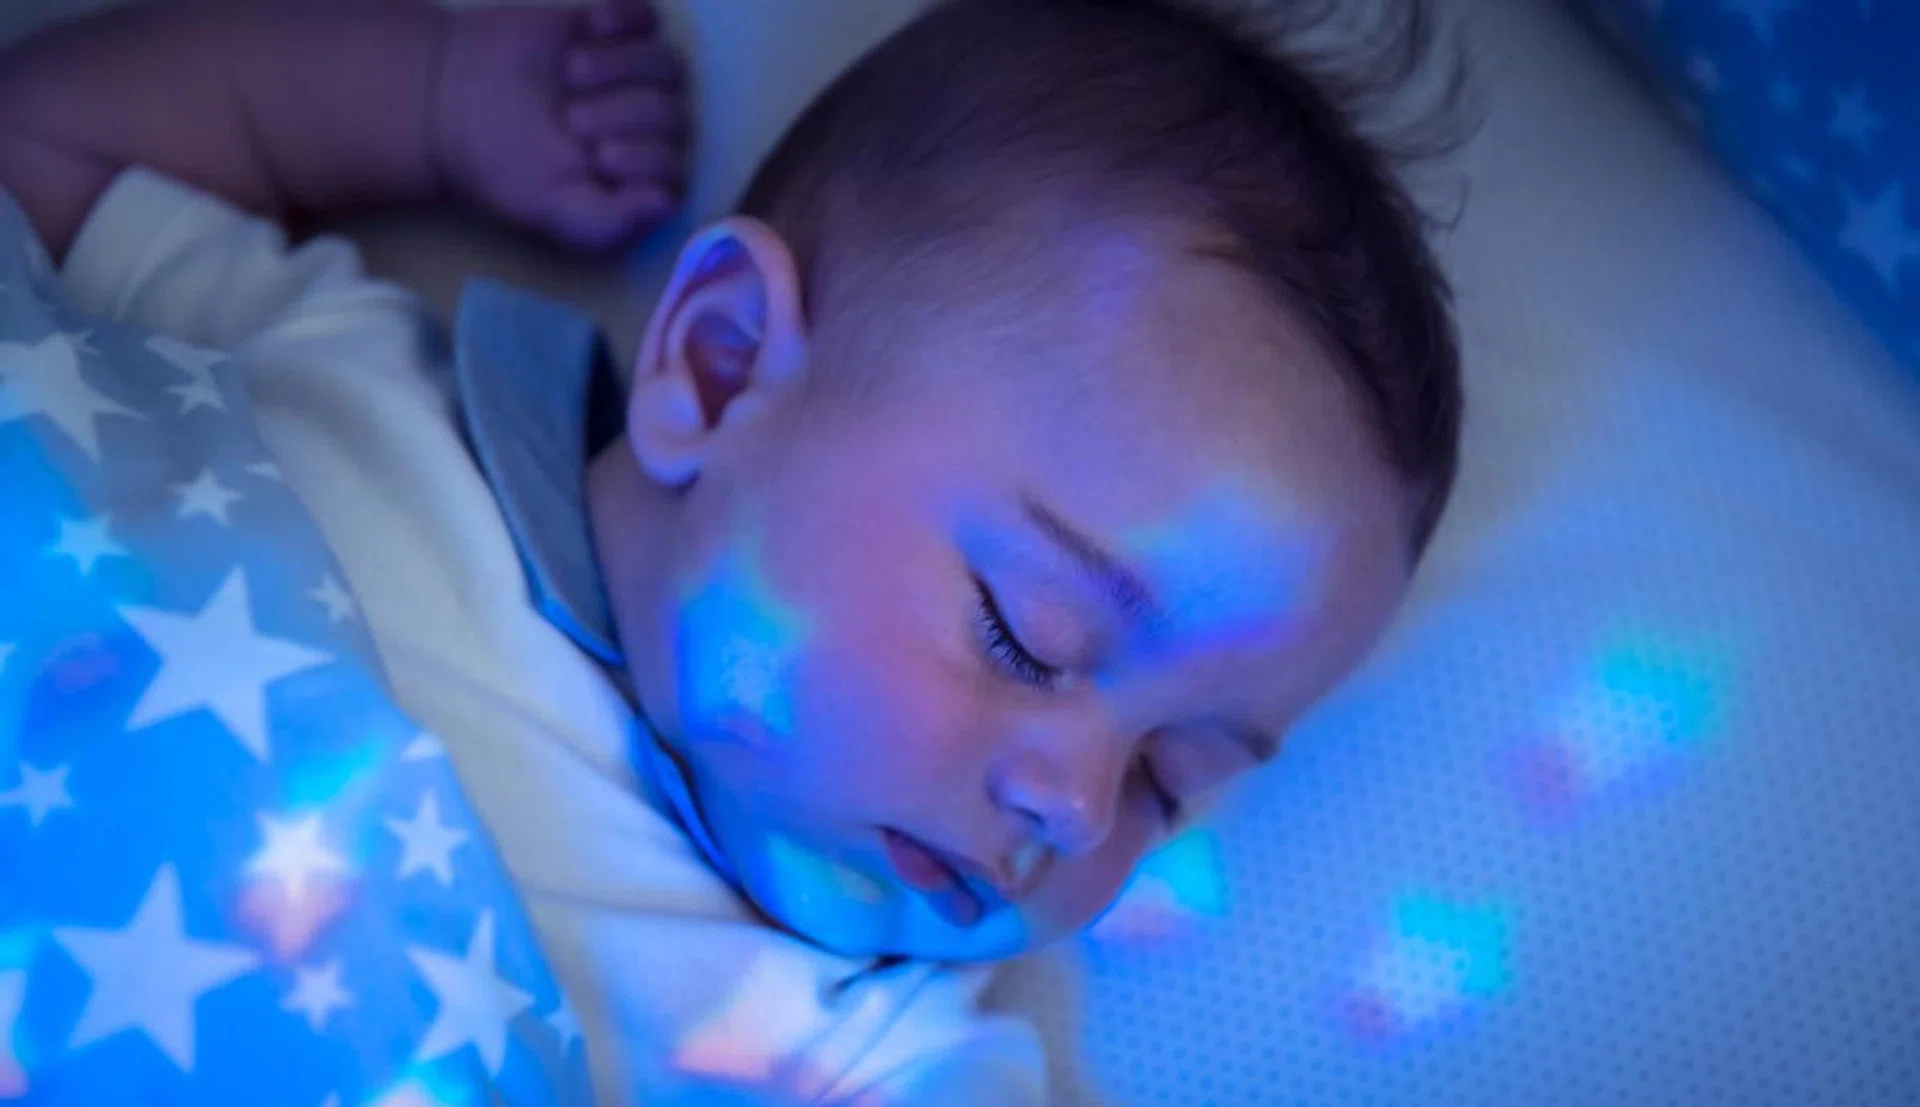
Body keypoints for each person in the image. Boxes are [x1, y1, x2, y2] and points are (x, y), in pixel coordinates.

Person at [0, 0, 1464, 1100]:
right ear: (715, 366)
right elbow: (42, 146)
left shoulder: (868, 1046)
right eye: (1028, 632)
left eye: (1171, 780)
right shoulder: (346, 386)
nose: (1078, 806)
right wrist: (432, 97)